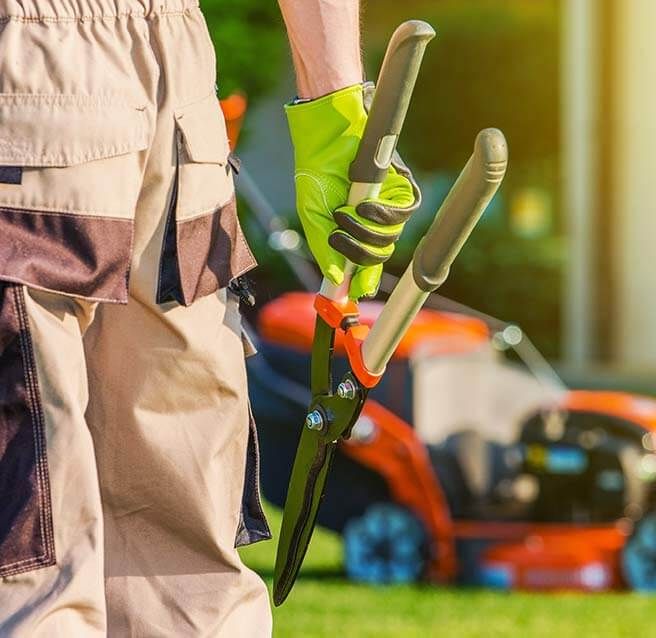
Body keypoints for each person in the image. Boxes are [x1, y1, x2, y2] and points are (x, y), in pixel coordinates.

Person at [0, 0, 418, 635]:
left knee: (30, 561)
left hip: (25, 74)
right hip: (179, 88)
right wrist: (335, 117)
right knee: (184, 583)